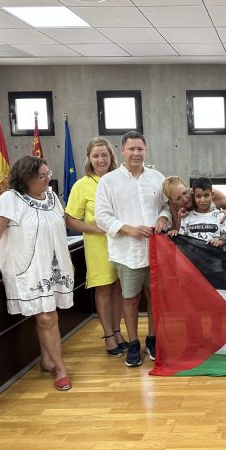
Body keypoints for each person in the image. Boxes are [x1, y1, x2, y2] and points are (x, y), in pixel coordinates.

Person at [0, 156, 74, 391]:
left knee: (47, 314)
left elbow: (61, 224)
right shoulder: (9, 200)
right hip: (28, 269)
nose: (48, 178)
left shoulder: (52, 197)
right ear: (26, 179)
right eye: (42, 176)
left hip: (54, 267)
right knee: (46, 317)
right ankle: (60, 368)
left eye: (48, 173)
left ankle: (47, 360)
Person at [95, 131, 171, 368]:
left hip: (155, 251)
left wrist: (162, 219)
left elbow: (167, 206)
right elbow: (102, 217)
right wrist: (128, 229)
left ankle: (152, 339)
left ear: (145, 151)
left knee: (154, 298)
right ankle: (133, 344)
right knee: (130, 299)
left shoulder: (158, 178)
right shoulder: (109, 181)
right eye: (131, 149)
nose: (136, 153)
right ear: (122, 151)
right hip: (127, 253)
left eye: (140, 149)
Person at [65, 138, 127, 357]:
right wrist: (96, 227)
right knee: (104, 288)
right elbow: (70, 219)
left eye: (104, 155)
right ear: (89, 159)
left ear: (112, 157)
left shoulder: (120, 180)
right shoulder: (81, 185)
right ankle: (109, 336)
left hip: (122, 242)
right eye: (96, 156)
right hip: (97, 244)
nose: (101, 159)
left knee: (120, 288)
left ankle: (119, 331)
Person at [162, 176, 226, 231]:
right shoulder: (173, 206)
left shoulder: (204, 191)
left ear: (187, 187)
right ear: (172, 200)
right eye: (178, 198)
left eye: (184, 193)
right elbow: (179, 231)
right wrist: (180, 218)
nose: (185, 199)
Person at [177, 177, 226, 247]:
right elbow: (182, 240)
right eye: (198, 196)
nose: (202, 200)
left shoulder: (221, 216)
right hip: (192, 257)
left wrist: (218, 242)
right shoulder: (187, 217)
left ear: (212, 195)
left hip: (214, 256)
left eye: (206, 195)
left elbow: (224, 239)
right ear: (193, 196)